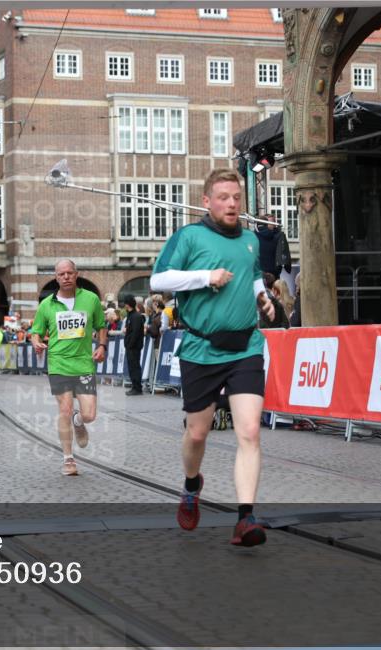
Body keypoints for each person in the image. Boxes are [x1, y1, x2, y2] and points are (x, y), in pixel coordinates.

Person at [150, 168, 275, 547]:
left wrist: (263, 298)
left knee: (249, 432)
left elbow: (253, 276)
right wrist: (205, 277)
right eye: (223, 197)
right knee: (197, 433)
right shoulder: (189, 236)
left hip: (246, 347)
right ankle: (192, 485)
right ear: (207, 201)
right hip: (201, 349)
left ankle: (245, 518)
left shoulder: (251, 240)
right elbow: (158, 280)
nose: (232, 204)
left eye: (236, 197)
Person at [30, 259, 107, 476]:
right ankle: (68, 459)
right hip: (59, 363)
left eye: (69, 273)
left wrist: (102, 346)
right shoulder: (47, 305)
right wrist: (36, 342)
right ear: (56, 277)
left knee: (89, 415)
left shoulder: (91, 299)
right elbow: (36, 331)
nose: (66, 277)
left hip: (83, 364)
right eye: (61, 274)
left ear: (76, 274)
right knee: (64, 410)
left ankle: (79, 420)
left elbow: (101, 326)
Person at [123, 295, 146, 396]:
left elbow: (136, 332)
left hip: (134, 346)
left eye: (125, 304)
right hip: (130, 346)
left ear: (127, 305)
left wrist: (130, 344)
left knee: (134, 366)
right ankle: (134, 386)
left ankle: (137, 388)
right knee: (132, 367)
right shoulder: (131, 315)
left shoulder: (136, 316)